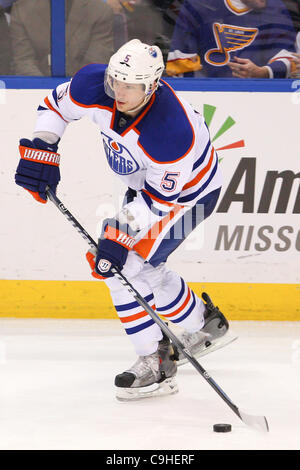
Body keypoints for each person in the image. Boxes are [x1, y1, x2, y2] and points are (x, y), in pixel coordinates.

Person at [14, 39, 232, 401]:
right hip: (145, 188)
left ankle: (155, 360)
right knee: (143, 266)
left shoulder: (171, 131)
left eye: (131, 85)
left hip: (189, 197)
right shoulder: (94, 83)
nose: (120, 91)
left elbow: (163, 201)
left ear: (153, 84)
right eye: (117, 80)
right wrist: (43, 146)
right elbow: (56, 104)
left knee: (122, 265)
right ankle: (203, 323)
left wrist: (120, 231)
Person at [166, 0, 298, 78]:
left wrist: (263, 72)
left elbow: (289, 58)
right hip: (206, 98)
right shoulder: (199, 5)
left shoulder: (275, 8)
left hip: (258, 98)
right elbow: (179, 64)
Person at [10, 0, 114, 76]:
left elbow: (95, 63)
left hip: (79, 91)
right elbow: (23, 60)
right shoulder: (22, 10)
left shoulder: (100, 11)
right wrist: (42, 87)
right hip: (35, 89)